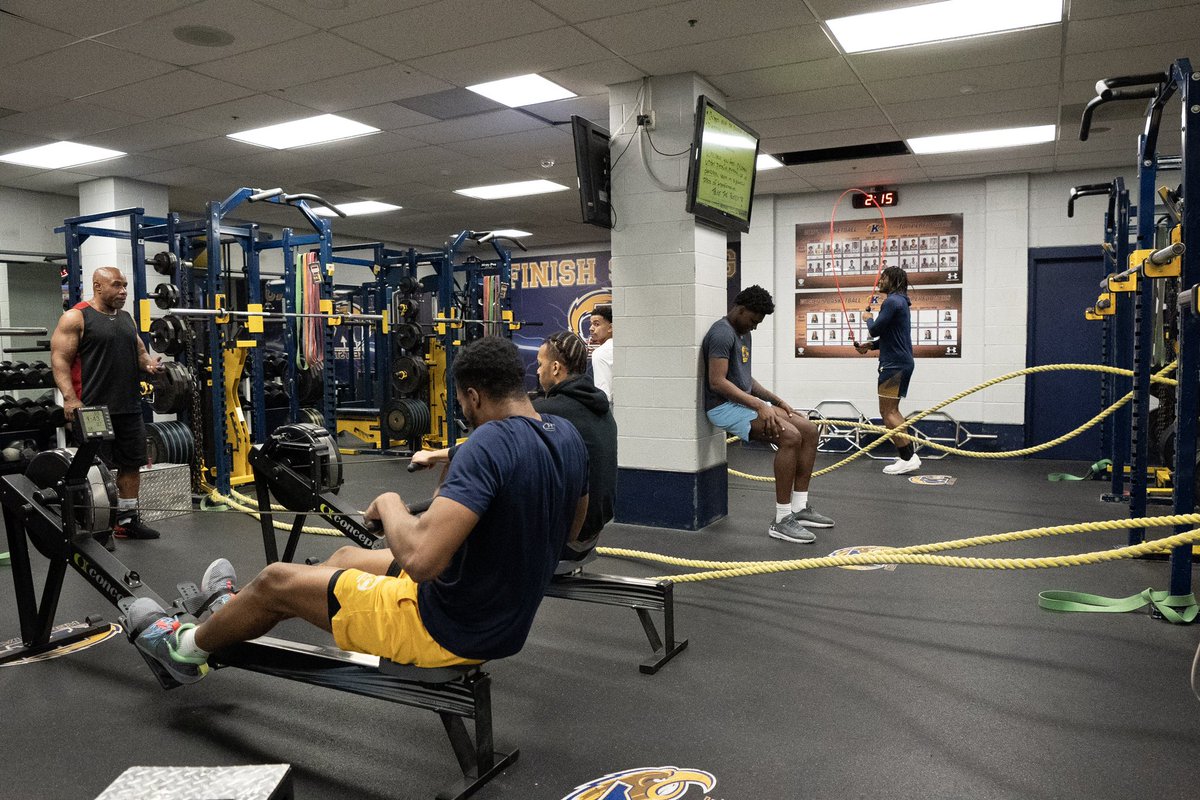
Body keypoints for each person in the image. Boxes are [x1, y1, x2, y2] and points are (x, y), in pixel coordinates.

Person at [124, 337, 590, 684]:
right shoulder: (566, 435)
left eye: (462, 404)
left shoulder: (487, 443)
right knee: (343, 559)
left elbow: (424, 562)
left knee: (275, 579)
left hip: (447, 629)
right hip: (498, 613)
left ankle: (182, 651)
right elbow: (572, 529)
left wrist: (390, 505)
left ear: (473, 396)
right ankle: (231, 615)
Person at [412, 330, 616, 561]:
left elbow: (486, 446)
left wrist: (432, 456)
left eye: (540, 364)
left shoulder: (547, 414)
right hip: (593, 534)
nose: (537, 371)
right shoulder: (601, 407)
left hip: (567, 542)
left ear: (556, 368)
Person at [702, 285, 834, 543]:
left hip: (743, 403)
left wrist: (775, 400)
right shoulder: (721, 333)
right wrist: (759, 406)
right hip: (722, 407)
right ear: (740, 310)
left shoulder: (742, 332)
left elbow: (744, 378)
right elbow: (717, 382)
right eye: (753, 320)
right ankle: (782, 519)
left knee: (807, 429)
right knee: (791, 437)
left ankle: (800, 507)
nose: (755, 326)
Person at [51, 267, 164, 549]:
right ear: (98, 286)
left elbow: (139, 352)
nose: (124, 291)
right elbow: (60, 360)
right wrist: (69, 398)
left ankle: (126, 521)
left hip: (128, 406)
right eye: (117, 285)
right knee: (95, 471)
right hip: (92, 408)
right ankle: (98, 528)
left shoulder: (126, 319)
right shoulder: (76, 317)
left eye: (125, 285)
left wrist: (149, 365)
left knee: (131, 464)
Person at [856, 266, 920, 475]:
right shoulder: (901, 302)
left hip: (893, 365)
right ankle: (908, 455)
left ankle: (908, 458)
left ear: (893, 280)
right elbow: (890, 338)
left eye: (883, 278)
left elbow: (875, 330)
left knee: (887, 412)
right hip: (900, 362)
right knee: (893, 411)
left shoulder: (892, 302)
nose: (879, 281)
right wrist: (870, 346)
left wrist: (868, 318)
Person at [589, 304, 613, 403]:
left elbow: (604, 396)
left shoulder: (600, 353)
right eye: (591, 324)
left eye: (596, 324)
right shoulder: (620, 349)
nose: (591, 328)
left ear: (610, 327)